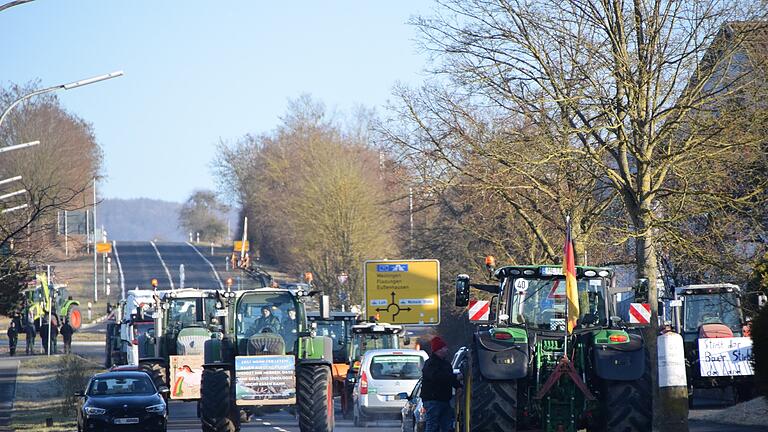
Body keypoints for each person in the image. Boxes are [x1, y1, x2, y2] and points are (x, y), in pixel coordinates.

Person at [421, 337, 462, 432]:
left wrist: (458, 386)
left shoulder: (446, 364)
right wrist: (455, 378)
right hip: (433, 401)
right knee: (432, 427)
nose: (447, 349)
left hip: (444, 400)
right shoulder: (430, 364)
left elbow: (448, 377)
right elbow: (437, 377)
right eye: (444, 347)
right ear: (438, 350)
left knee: (447, 427)